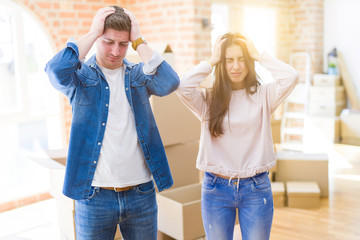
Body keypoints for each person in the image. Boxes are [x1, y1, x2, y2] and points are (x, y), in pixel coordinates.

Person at [45, 6, 179, 240]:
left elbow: (170, 82)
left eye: (123, 44)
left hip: (141, 194)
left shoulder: (138, 76)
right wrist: (93, 32)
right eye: (108, 42)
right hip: (93, 196)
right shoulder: (81, 78)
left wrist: (138, 41)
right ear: (98, 38)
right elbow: (56, 70)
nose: (116, 52)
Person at [176, 33, 299, 240]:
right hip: (216, 189)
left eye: (242, 59)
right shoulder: (208, 99)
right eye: (229, 60)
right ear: (221, 64)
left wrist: (259, 55)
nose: (236, 66)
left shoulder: (264, 96)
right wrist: (212, 60)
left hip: (256, 188)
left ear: (249, 63)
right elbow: (182, 86)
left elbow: (292, 77)